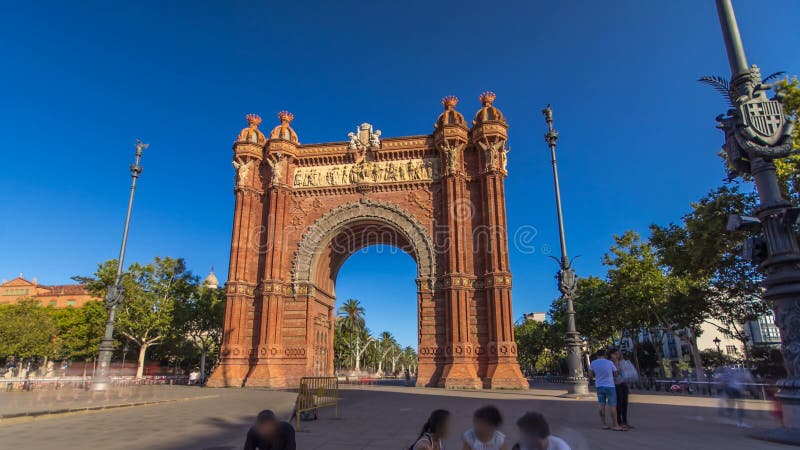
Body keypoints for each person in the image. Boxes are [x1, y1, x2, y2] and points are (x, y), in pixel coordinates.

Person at [588, 349, 623, 431]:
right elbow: (616, 374)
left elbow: (590, 375)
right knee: (612, 406)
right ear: (605, 355)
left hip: (599, 386)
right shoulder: (610, 363)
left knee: (601, 405)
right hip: (610, 386)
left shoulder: (593, 363)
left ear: (597, 355)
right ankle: (615, 425)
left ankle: (604, 424)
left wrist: (593, 380)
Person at [608, 348, 633, 430]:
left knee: (625, 403)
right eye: (615, 354)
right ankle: (618, 422)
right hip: (616, 385)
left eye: (618, 354)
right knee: (618, 404)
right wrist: (617, 368)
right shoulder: (610, 363)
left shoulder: (622, 362)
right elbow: (613, 375)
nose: (617, 355)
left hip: (623, 384)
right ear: (610, 355)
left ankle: (625, 422)